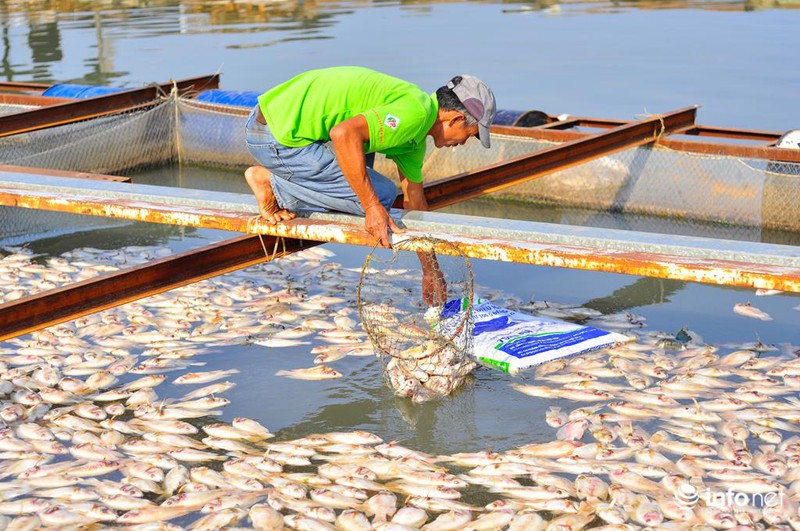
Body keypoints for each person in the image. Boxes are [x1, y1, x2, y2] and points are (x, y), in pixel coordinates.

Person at [244, 66, 496, 304]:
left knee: (367, 188)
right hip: (274, 137)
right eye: (471, 135)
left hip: (276, 126)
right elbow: (343, 134)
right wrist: (372, 206)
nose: (464, 143)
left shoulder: (415, 132)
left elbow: (415, 202)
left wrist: (430, 271)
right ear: (456, 119)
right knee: (381, 195)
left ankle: (283, 185)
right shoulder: (415, 113)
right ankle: (271, 182)